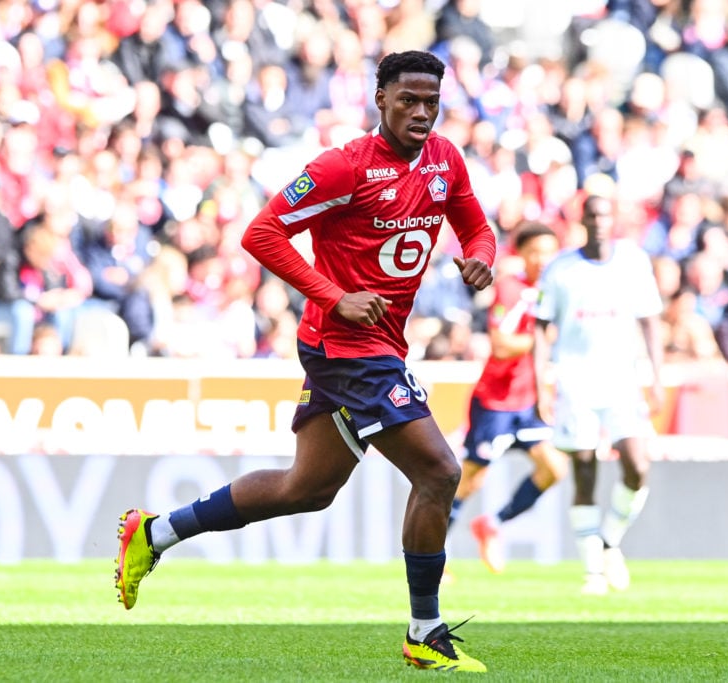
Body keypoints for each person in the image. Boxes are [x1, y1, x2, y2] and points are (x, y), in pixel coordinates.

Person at [114, 50, 496, 673]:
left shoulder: (445, 160)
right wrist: (334, 296)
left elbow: (475, 227)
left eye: (432, 102)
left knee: (306, 489)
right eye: (408, 100)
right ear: (381, 99)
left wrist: (480, 254)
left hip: (381, 344)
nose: (422, 113)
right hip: (343, 348)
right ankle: (424, 632)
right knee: (439, 473)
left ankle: (154, 535)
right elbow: (261, 233)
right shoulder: (343, 166)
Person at [533, 194, 664, 596]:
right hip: (575, 382)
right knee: (585, 472)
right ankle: (593, 571)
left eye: (605, 214)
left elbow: (650, 322)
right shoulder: (561, 269)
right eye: (592, 214)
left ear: (615, 218)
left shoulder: (634, 262)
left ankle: (608, 542)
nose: (599, 221)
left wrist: (657, 376)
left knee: (637, 465)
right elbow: (540, 327)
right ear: (582, 220)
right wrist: (543, 382)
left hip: (623, 381)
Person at [446, 222, 567, 575]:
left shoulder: (553, 291)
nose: (543, 259)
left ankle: (493, 523)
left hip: (529, 403)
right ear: (522, 255)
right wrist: (545, 340)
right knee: (470, 480)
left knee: (553, 468)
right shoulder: (512, 290)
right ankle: (435, 554)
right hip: (496, 403)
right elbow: (500, 345)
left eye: (549, 251)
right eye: (536, 252)